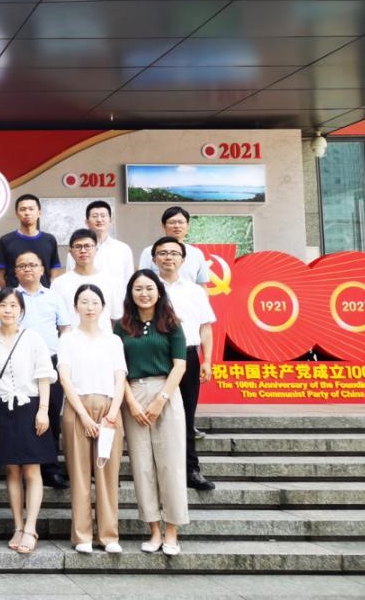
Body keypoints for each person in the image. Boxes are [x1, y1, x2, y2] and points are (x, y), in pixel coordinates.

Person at [116, 270, 189, 556]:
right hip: (132, 392)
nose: (143, 293)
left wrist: (161, 399)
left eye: (149, 288)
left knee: (170, 464)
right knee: (142, 465)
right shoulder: (122, 326)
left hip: (166, 392)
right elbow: (117, 368)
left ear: (159, 291)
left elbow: (180, 365)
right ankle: (154, 530)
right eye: (138, 288)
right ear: (130, 293)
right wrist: (131, 402)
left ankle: (172, 531)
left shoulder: (172, 323)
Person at [58, 284, 127, 555]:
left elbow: (120, 378)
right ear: (75, 307)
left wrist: (113, 413)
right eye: (84, 302)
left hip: (109, 408)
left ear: (103, 307)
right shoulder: (68, 339)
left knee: (108, 475)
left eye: (95, 302)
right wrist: (84, 416)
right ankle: (82, 535)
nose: (89, 307)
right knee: (79, 475)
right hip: (77, 408)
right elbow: (65, 378)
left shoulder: (113, 340)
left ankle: (109, 535)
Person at [0, 288, 56, 555]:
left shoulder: (33, 337)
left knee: (32, 470)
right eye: (3, 305)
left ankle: (30, 527)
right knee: (12, 471)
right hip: (2, 408)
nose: (8, 310)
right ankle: (17, 525)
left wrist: (43, 410)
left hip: (31, 407)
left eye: (13, 305)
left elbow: (44, 375)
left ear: (22, 310)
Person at [151, 236, 217, 491]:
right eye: (163, 253)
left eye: (174, 253)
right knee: (155, 414)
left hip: (188, 357)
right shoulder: (146, 287)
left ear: (182, 259)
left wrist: (207, 360)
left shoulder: (195, 291)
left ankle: (191, 470)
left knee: (186, 416)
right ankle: (156, 471)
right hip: (156, 357)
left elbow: (205, 328)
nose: (168, 257)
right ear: (154, 258)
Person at [13, 250, 72, 490]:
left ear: (41, 269)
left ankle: (51, 467)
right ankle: (26, 464)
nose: (27, 269)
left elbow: (65, 328)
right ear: (15, 271)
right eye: (22, 265)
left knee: (51, 415)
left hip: (50, 361)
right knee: (24, 415)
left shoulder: (54, 297)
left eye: (32, 265)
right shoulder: (10, 297)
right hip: (19, 363)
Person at [50, 229, 123, 325]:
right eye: (78, 247)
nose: (83, 250)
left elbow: (115, 318)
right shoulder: (58, 284)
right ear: (70, 252)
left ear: (96, 250)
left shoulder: (111, 281)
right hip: (70, 334)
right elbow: (53, 318)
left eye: (87, 246)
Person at [0, 194, 62, 289]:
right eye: (23, 209)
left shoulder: (49, 240)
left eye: (31, 209)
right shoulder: (5, 241)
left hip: (43, 295)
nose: (27, 213)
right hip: (15, 296)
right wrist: (9, 294)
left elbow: (54, 269)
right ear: (17, 214)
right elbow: (0, 276)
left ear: (39, 213)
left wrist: (49, 292)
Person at [139, 207, 211, 284]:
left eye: (181, 222)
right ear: (163, 225)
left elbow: (202, 285)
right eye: (172, 222)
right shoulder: (149, 252)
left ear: (187, 226)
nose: (177, 226)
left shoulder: (196, 253)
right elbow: (142, 281)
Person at [77, 200, 134, 292]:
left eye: (103, 216)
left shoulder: (123, 249)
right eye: (94, 216)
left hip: (118, 299)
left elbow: (129, 280)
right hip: (88, 299)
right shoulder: (78, 250)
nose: (99, 220)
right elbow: (72, 279)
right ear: (87, 222)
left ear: (110, 220)